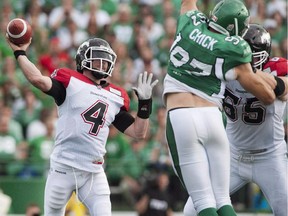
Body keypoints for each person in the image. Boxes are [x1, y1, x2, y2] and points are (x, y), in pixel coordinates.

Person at [6, 36, 158, 216]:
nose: (103, 63)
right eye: (98, 58)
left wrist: (145, 105)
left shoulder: (116, 96)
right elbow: (37, 79)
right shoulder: (70, 82)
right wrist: (20, 52)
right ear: (83, 60)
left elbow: (139, 132)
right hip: (63, 167)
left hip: (93, 172)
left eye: (105, 59)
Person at [162, 0, 286, 216]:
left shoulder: (271, 67)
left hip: (269, 155)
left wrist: (269, 80)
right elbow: (265, 94)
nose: (250, 61)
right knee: (192, 209)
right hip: (233, 151)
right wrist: (246, 71)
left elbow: (278, 90)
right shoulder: (231, 57)